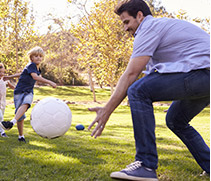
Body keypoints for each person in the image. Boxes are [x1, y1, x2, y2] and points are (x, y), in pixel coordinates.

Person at [88, 0, 210, 180]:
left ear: (139, 16)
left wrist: (107, 110)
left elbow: (131, 74)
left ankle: (146, 164)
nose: (125, 28)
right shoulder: (161, 27)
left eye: (126, 22)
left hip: (201, 75)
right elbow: (159, 75)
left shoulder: (149, 27)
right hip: (204, 78)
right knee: (176, 120)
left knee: (137, 91)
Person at [0, 46, 57, 143]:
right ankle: (21, 136)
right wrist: (49, 82)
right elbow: (35, 77)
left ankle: (11, 123)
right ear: (31, 58)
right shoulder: (31, 66)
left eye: (40, 56)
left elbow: (22, 74)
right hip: (19, 91)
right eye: (36, 56)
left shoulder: (36, 68)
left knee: (26, 104)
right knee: (20, 116)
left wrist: (10, 76)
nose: (38, 58)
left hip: (28, 91)